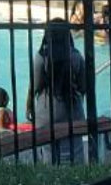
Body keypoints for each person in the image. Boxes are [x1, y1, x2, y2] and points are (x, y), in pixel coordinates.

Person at [27, 19, 86, 163]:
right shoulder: (76, 56)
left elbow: (34, 87)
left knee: (49, 153)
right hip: (72, 111)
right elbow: (83, 87)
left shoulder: (42, 57)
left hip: (46, 113)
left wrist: (29, 106)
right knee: (75, 150)